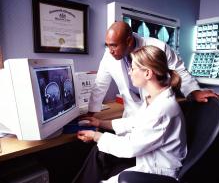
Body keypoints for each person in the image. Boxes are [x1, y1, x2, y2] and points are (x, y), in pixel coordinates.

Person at [72, 46, 187, 183]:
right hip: (147, 156)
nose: (129, 72)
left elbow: (129, 147)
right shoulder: (155, 98)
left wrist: (96, 136)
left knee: (102, 155)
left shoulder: (162, 109)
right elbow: (136, 122)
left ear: (148, 73)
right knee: (99, 152)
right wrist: (100, 123)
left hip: (156, 172)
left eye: (132, 68)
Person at [88, 21, 217, 117]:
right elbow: (100, 85)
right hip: (132, 112)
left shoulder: (158, 47)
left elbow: (178, 71)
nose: (110, 50)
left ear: (128, 41)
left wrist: (193, 91)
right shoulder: (109, 55)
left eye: (114, 45)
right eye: (107, 45)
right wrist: (91, 113)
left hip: (157, 110)